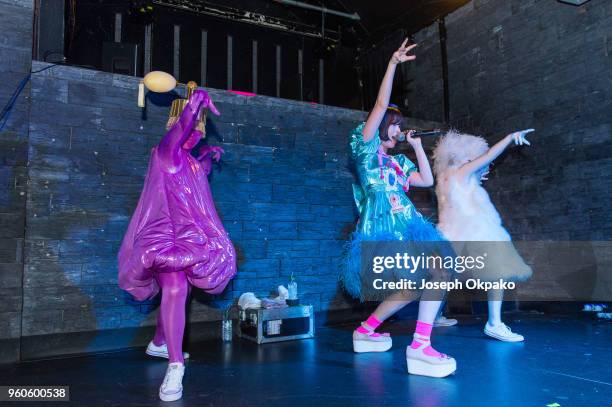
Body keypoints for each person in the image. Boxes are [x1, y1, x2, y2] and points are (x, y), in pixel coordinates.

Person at [340, 39, 456, 378]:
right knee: (437, 272)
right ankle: (420, 346)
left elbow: (425, 181)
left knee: (414, 283)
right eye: (394, 123)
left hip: (405, 220)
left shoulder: (397, 162)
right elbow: (378, 104)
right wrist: (391, 63)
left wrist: (418, 146)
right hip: (383, 224)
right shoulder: (365, 148)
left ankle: (366, 329)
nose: (398, 128)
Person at [118, 83, 237, 401]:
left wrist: (208, 159)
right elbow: (181, 132)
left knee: (178, 294)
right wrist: (193, 105)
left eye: (200, 128)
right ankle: (174, 367)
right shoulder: (165, 153)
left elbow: (192, 190)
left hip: (187, 239)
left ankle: (159, 342)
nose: (198, 131)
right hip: (162, 239)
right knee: (175, 289)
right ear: (177, 124)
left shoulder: (190, 161)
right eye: (193, 126)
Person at [432, 128, 534, 342]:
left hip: (449, 234)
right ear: (465, 157)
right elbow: (488, 157)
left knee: (442, 277)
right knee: (497, 272)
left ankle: (435, 316)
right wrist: (508, 137)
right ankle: (494, 323)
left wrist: (475, 176)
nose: (479, 163)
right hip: (473, 232)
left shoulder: (443, 178)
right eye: (474, 158)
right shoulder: (462, 172)